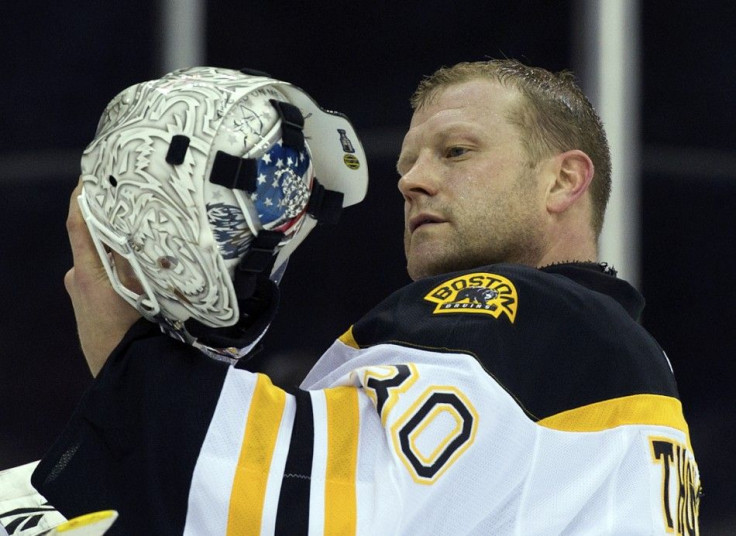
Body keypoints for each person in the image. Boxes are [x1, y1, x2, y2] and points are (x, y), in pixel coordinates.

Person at [26, 60, 700, 535]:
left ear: (563, 181)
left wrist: (130, 356)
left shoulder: (521, 314)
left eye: (456, 152)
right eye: (408, 162)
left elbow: (306, 509)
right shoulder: (608, 355)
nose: (412, 181)